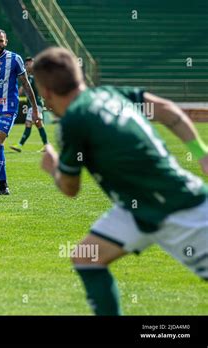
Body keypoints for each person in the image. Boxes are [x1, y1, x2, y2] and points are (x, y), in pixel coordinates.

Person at [35, 47, 208, 315]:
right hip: (137, 207)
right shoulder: (110, 93)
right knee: (87, 257)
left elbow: (71, 188)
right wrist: (201, 153)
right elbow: (165, 108)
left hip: (177, 209)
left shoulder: (73, 122)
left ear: (45, 91)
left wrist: (53, 168)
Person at [0, 29, 40, 197]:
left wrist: (35, 108)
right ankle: (4, 186)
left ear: (6, 42)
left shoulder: (15, 59)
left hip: (8, 108)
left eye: (1, 41)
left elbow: (25, 84)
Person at [10, 57, 49, 153]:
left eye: (29, 64)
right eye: (26, 64)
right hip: (34, 105)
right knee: (39, 125)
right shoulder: (29, 77)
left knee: (29, 123)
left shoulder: (34, 77)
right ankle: (47, 145)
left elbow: (24, 90)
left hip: (36, 105)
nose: (27, 66)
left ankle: (20, 145)